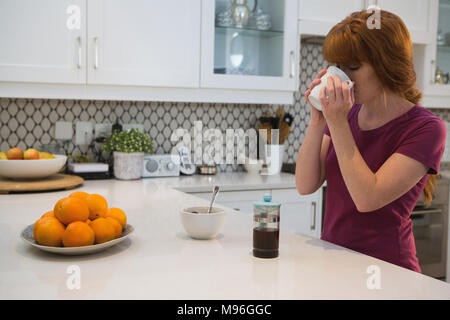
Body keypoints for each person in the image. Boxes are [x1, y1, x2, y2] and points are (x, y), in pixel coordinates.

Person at [295, 9, 447, 273]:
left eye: (352, 67)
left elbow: (367, 198)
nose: (342, 77)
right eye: (338, 67)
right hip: (334, 262)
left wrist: (338, 123)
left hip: (388, 272)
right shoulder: (345, 115)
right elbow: (305, 185)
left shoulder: (427, 128)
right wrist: (318, 121)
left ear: (386, 65)